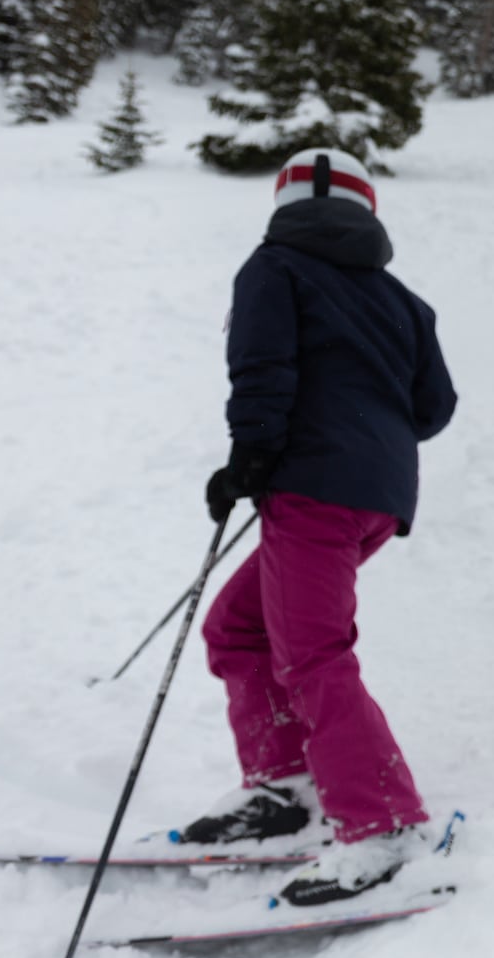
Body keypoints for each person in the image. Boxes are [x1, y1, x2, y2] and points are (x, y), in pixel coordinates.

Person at [188, 147, 457, 907]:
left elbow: (261, 366)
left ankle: (382, 820)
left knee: (311, 653)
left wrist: (252, 455)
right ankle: (287, 786)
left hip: (311, 490)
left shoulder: (273, 268)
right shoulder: (401, 298)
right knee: (240, 627)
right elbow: (433, 408)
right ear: (367, 207)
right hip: (376, 498)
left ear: (281, 202)